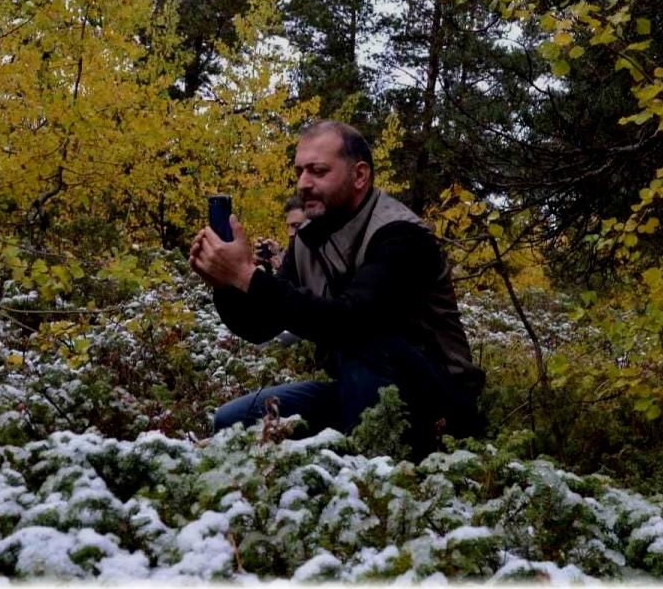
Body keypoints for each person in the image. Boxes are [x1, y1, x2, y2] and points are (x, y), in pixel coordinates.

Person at [189, 120, 485, 456]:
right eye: (300, 171)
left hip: (439, 402)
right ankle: (343, 461)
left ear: (360, 175)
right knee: (235, 420)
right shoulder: (308, 240)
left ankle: (368, 477)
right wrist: (226, 285)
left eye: (317, 171)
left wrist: (247, 276)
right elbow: (260, 326)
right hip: (358, 389)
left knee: (364, 338)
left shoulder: (403, 236)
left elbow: (350, 321)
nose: (304, 183)